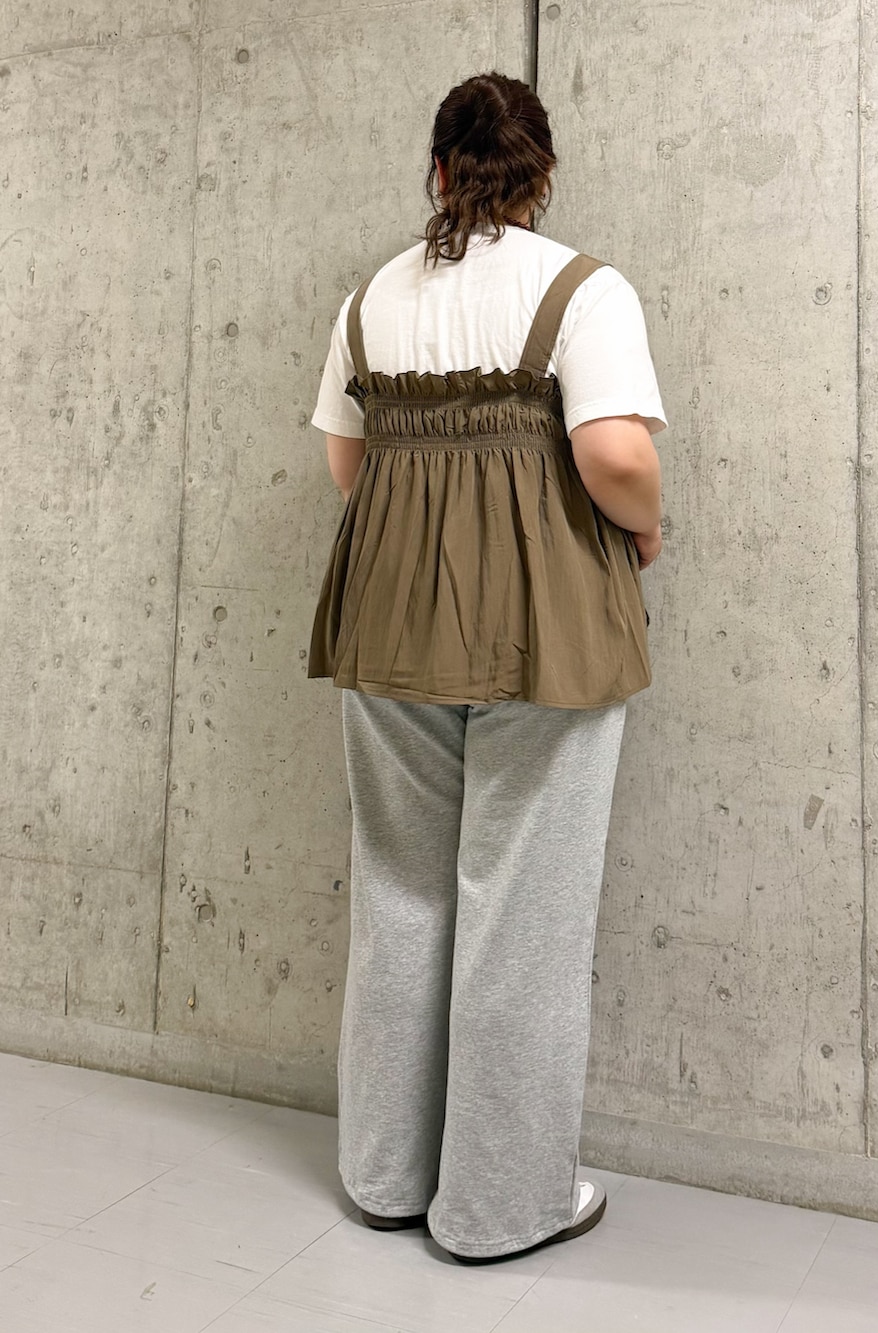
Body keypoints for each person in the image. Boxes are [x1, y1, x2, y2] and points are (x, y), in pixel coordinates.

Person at [308, 71, 665, 1263]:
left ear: (439, 169)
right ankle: (500, 1207)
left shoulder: (371, 297)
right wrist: (647, 528)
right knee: (524, 909)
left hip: (388, 617)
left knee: (398, 889)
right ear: (539, 172)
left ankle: (384, 1174)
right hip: (542, 624)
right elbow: (614, 454)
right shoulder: (581, 288)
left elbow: (348, 467)